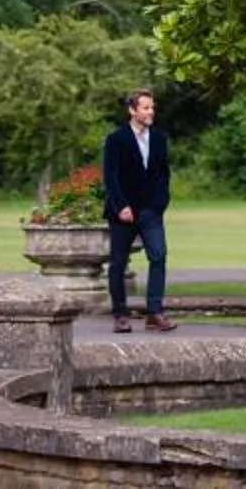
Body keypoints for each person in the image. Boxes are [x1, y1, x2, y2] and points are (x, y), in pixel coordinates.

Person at [100, 88, 172, 332]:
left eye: (152, 107)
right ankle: (120, 315)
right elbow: (110, 177)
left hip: (151, 210)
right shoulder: (116, 139)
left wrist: (160, 203)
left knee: (159, 256)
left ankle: (155, 313)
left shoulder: (160, 138)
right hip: (123, 212)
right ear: (132, 110)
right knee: (118, 263)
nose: (151, 112)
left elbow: (164, 174)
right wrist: (121, 206)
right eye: (146, 108)